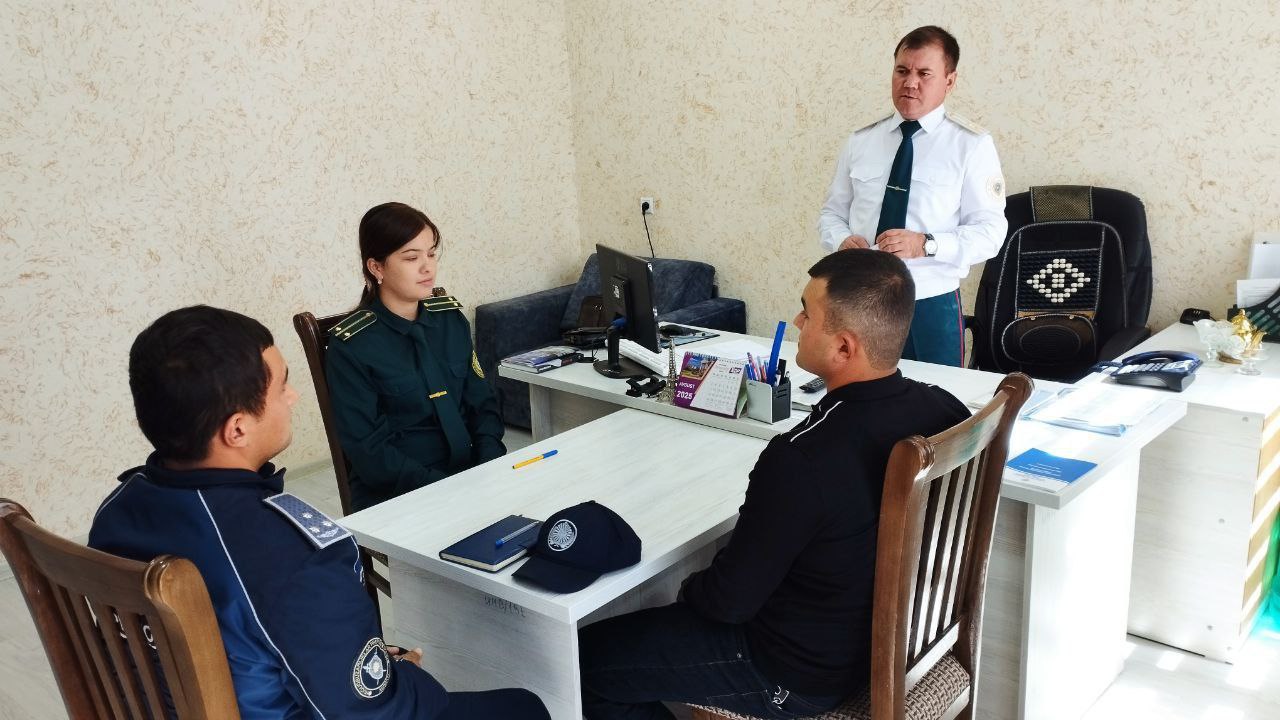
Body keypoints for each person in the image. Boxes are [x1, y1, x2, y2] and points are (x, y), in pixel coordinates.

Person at [89, 305, 549, 720]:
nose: (292, 397)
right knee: (526, 706)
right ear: (237, 429)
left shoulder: (118, 510)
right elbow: (372, 714)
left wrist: (358, 661)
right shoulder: (295, 553)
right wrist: (400, 676)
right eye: (281, 387)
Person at [577, 250, 970, 719]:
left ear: (845, 348)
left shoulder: (802, 457)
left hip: (797, 673)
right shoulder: (945, 409)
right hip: (889, 643)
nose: (797, 322)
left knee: (583, 662)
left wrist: (687, 589)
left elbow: (727, 603)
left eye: (808, 314)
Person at [818, 25, 1008, 367]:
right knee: (859, 393)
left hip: (929, 301)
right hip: (860, 299)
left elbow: (990, 232)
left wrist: (926, 244)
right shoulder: (862, 140)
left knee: (936, 395)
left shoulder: (971, 145)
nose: (910, 83)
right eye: (902, 71)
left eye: (924, 74)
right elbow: (831, 214)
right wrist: (841, 240)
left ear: (949, 81)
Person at [325, 202, 505, 511]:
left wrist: (489, 466)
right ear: (376, 268)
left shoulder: (450, 320)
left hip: (471, 477)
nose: (428, 268)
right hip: (402, 493)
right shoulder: (353, 345)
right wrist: (446, 491)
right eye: (411, 258)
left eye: (431, 254)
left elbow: (482, 404)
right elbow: (369, 450)